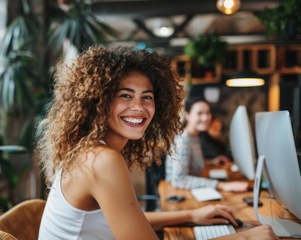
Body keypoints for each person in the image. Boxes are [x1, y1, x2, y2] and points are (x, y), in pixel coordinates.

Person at [36, 46, 279, 239]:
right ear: (99, 102)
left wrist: (192, 215)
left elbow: (127, 219)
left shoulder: (89, 151)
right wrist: (245, 238)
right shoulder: (101, 160)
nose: (139, 108)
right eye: (125, 95)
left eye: (147, 97)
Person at [165, 97, 249, 192]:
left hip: (190, 190)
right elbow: (179, 180)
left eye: (207, 113)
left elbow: (188, 164)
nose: (205, 118)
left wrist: (212, 162)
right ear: (188, 115)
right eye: (199, 113)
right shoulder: (183, 141)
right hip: (179, 192)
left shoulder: (194, 136)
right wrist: (222, 185)